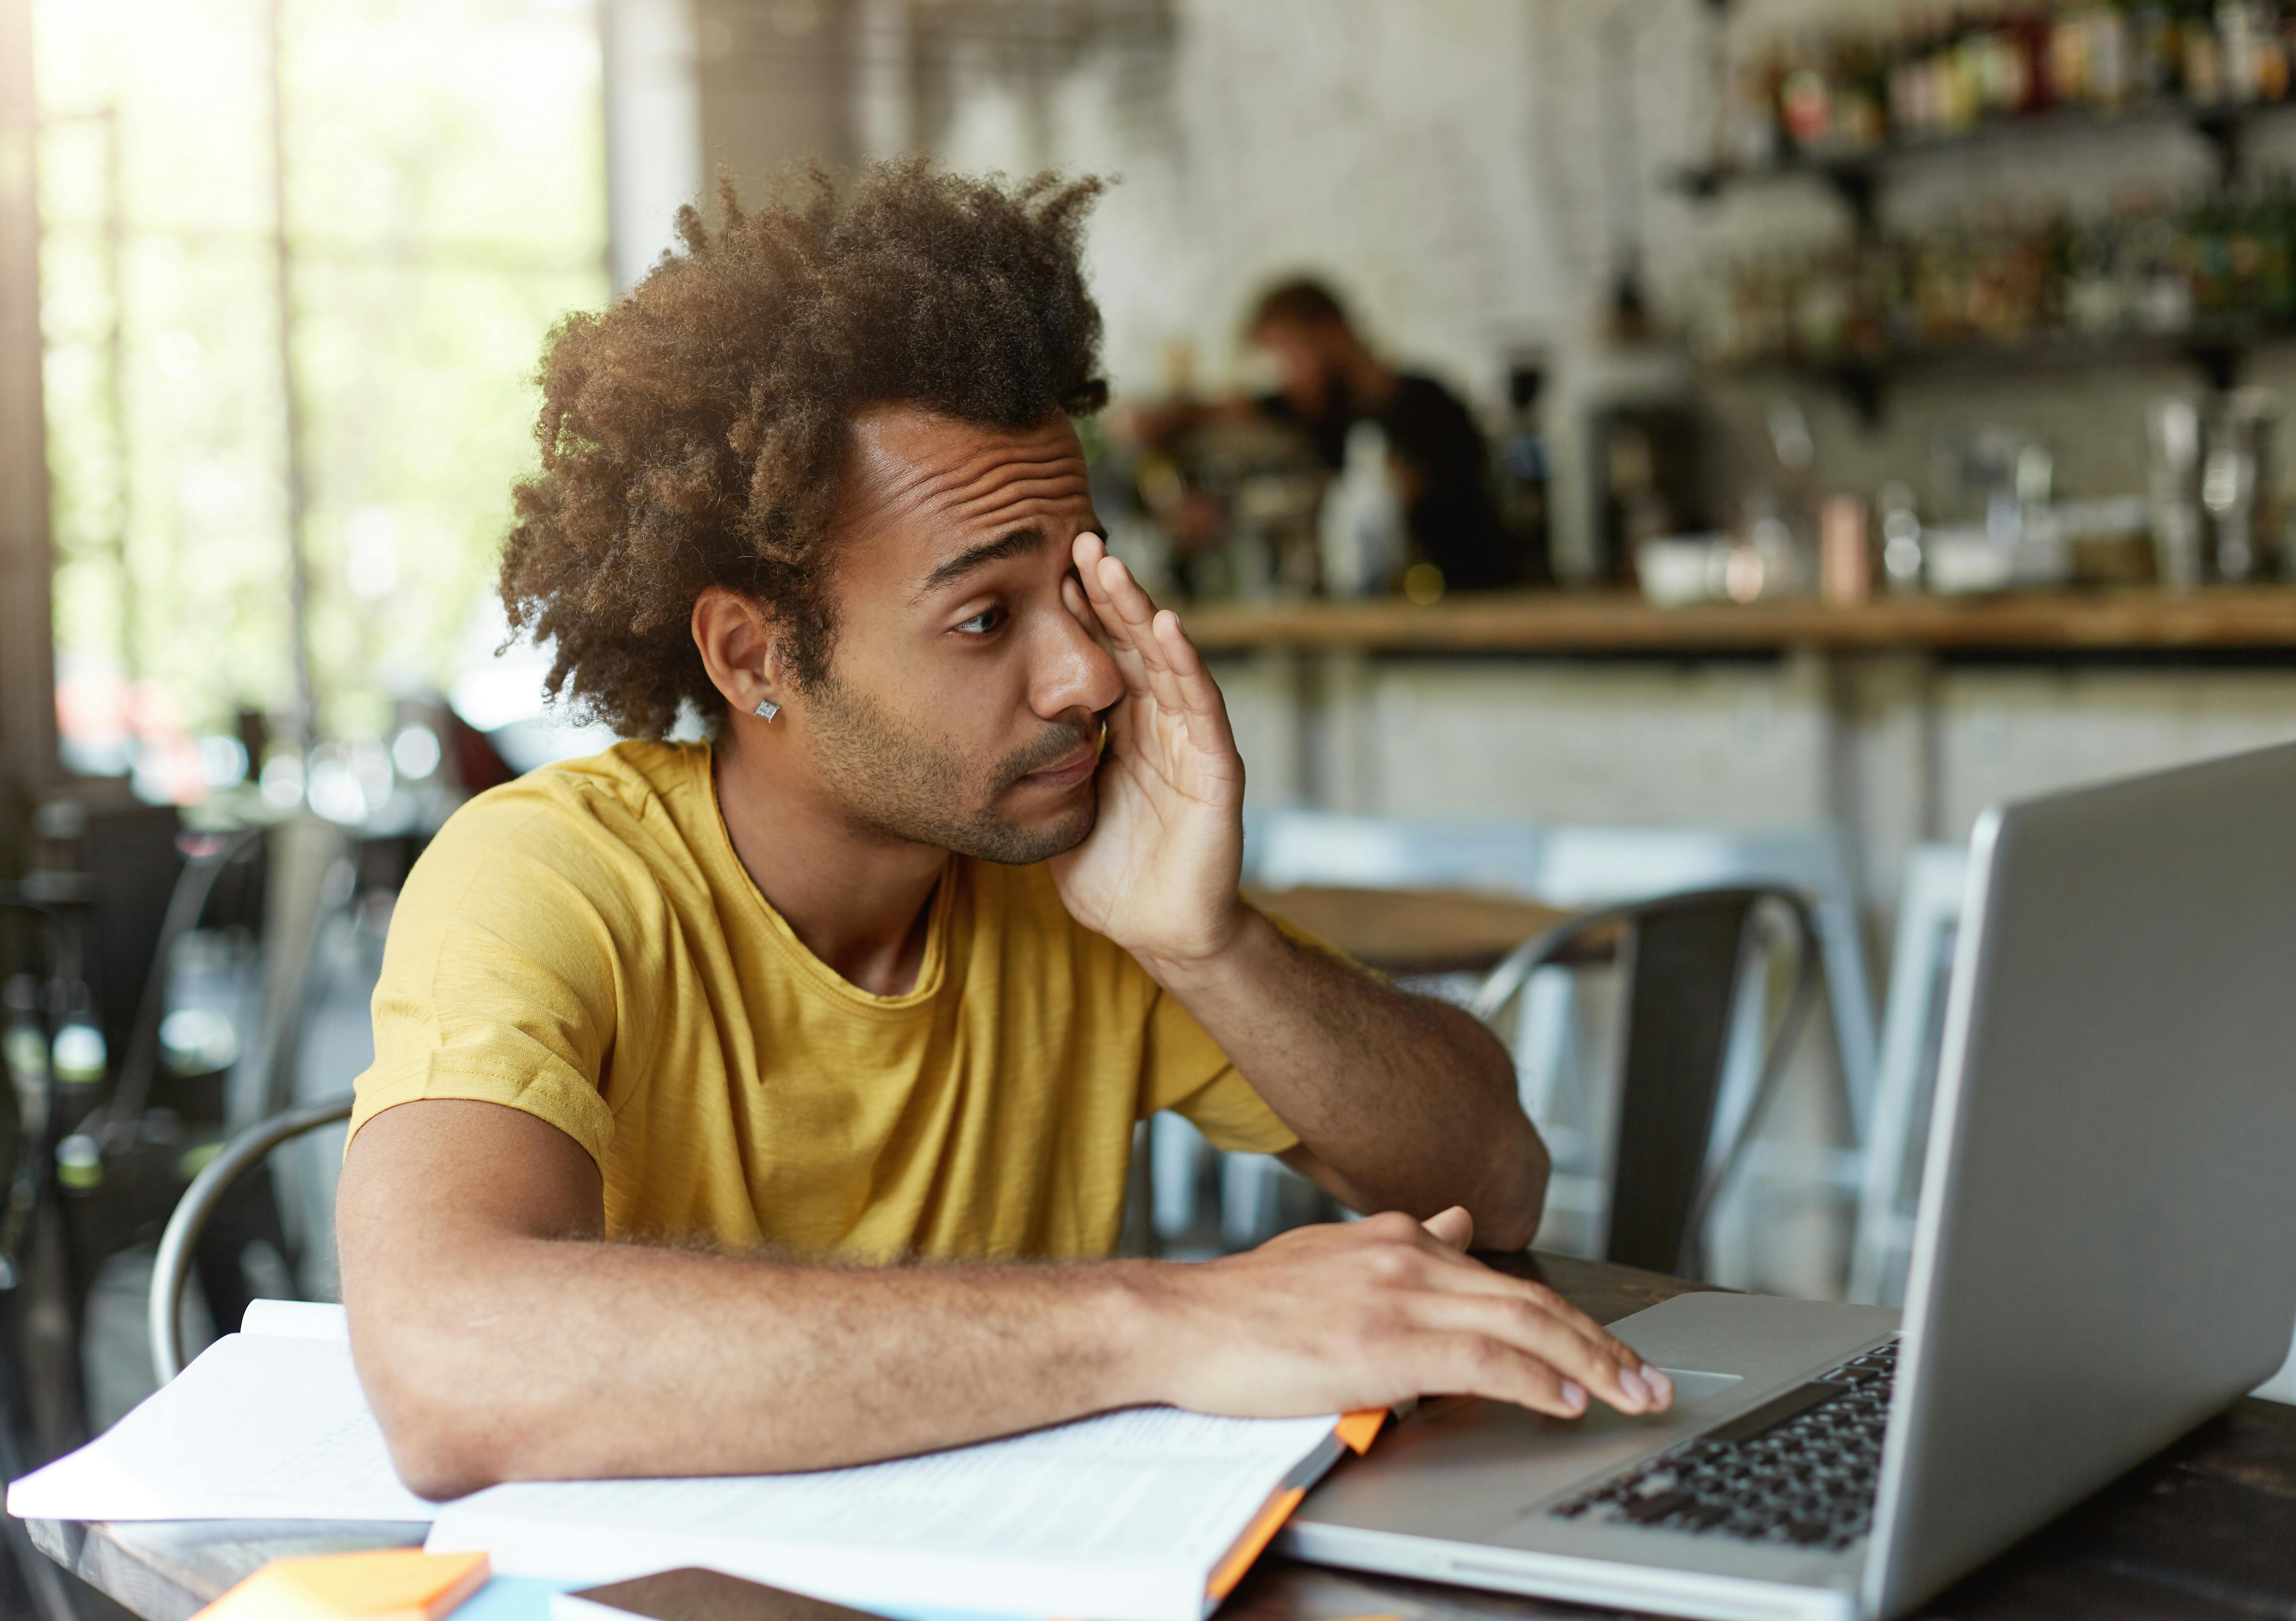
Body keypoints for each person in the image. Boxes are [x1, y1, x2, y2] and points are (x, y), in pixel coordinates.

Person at [335, 161, 1670, 1499]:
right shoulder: (549, 881)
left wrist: (1209, 944)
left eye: (1080, 588)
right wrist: (1174, 1320)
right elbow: (447, 1366)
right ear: (755, 655)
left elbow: (1497, 1180)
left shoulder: (1073, 886)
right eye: (985, 619)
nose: (1086, 676)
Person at [1245, 278, 1515, 591]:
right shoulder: (1324, 411)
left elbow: (1413, 499)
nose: (1287, 376)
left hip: (1462, 605)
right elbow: (1229, 408)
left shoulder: (1425, 403)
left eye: (1290, 355)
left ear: (1330, 332)